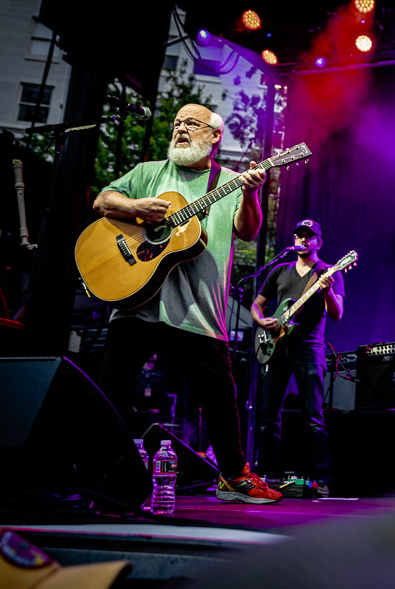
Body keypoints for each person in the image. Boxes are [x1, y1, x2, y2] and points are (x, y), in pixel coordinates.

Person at [94, 103, 283, 505]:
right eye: (178, 123)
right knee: (110, 391)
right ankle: (101, 470)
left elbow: (248, 231)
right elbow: (102, 202)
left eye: (192, 124)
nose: (180, 129)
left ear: (214, 136)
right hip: (136, 301)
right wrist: (134, 207)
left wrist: (252, 194)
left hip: (198, 307)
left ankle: (233, 476)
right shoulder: (148, 174)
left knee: (219, 397)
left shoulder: (229, 181)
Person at [250, 218, 344, 494]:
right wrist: (262, 321)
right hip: (276, 347)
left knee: (313, 415)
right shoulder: (280, 271)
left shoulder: (329, 272)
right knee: (268, 415)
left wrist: (327, 293)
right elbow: (258, 304)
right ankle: (267, 474)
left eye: (309, 236)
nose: (303, 240)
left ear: (319, 242)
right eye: (299, 235)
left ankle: (321, 477)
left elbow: (337, 314)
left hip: (309, 348)